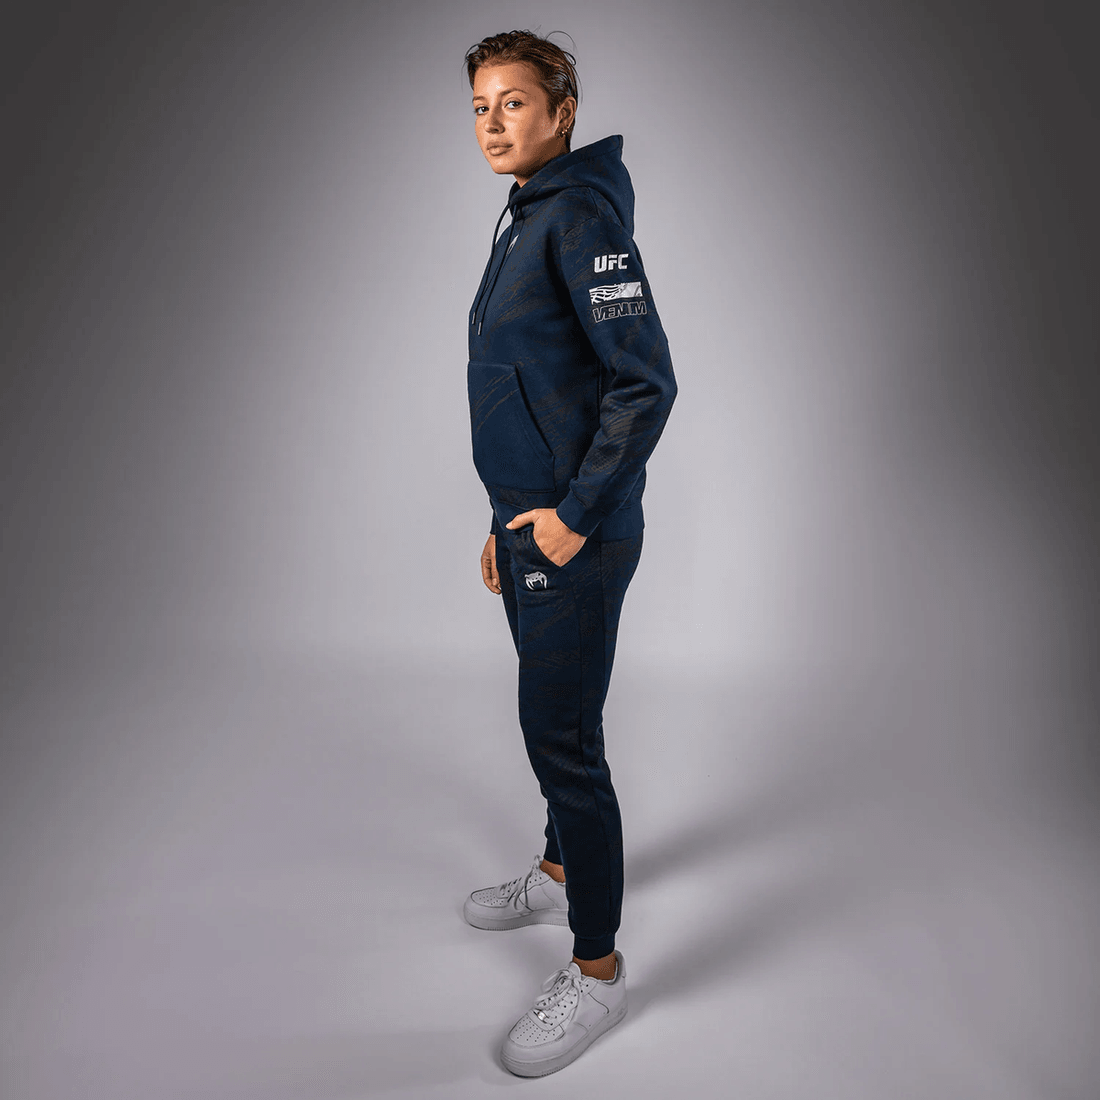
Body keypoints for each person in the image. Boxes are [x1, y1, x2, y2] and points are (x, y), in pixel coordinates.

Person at [461, 29, 677, 1076]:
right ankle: (557, 874)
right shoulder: (527, 211)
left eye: (512, 103)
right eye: (479, 107)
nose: (492, 124)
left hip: (574, 535)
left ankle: (597, 971)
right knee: (557, 722)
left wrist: (569, 516)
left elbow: (645, 382)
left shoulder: (579, 216)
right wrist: (506, 513)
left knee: (561, 740)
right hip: (529, 523)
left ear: (562, 108)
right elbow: (534, 386)